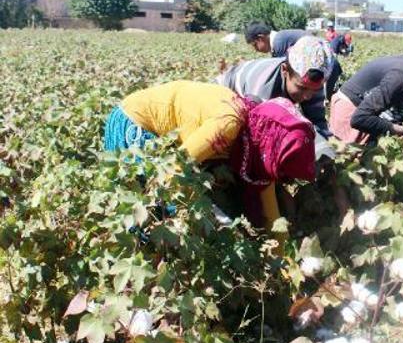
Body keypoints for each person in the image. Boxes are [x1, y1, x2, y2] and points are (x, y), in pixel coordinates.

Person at [103, 81, 316, 230]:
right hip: (135, 122)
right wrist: (218, 222)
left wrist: (281, 267)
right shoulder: (228, 125)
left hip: (171, 143)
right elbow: (175, 170)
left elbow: (271, 214)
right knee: (153, 209)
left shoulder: (261, 144)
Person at [217, 36, 335, 142]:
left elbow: (317, 121)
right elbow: (258, 136)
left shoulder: (313, 81)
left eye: (314, 90)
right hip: (224, 92)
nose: (307, 96)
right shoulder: (262, 89)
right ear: (284, 70)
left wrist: (324, 146)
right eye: (301, 88)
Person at [244, 22, 343, 101]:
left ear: (261, 38)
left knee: (323, 100)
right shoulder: (280, 38)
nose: (256, 49)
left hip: (326, 69)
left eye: (255, 45)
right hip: (327, 68)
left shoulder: (279, 43)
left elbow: (286, 79)